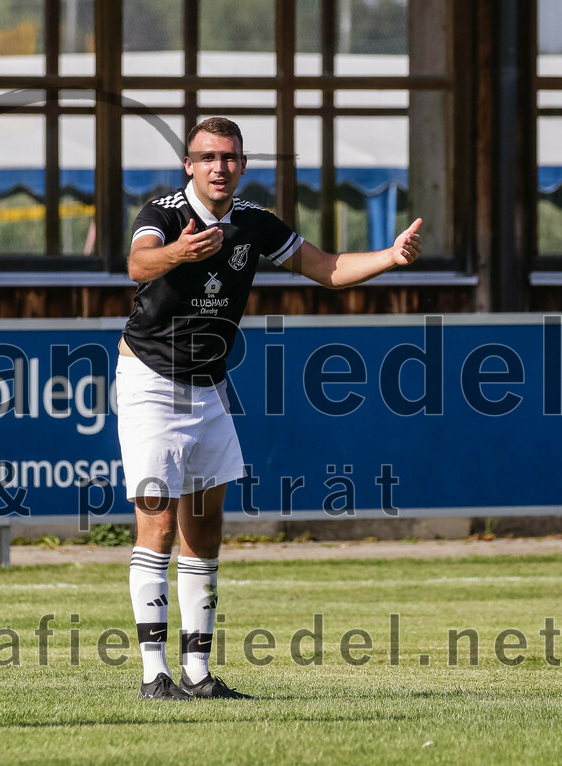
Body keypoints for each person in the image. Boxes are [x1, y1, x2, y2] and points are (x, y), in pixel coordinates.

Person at [117, 116, 422, 700]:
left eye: (229, 158)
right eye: (207, 157)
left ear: (241, 166)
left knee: (204, 530)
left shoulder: (253, 223)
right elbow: (138, 267)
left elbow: (326, 268)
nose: (218, 167)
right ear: (188, 165)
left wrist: (389, 256)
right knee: (156, 519)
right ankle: (153, 674)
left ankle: (198, 674)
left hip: (207, 387)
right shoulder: (162, 215)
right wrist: (180, 252)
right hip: (150, 380)